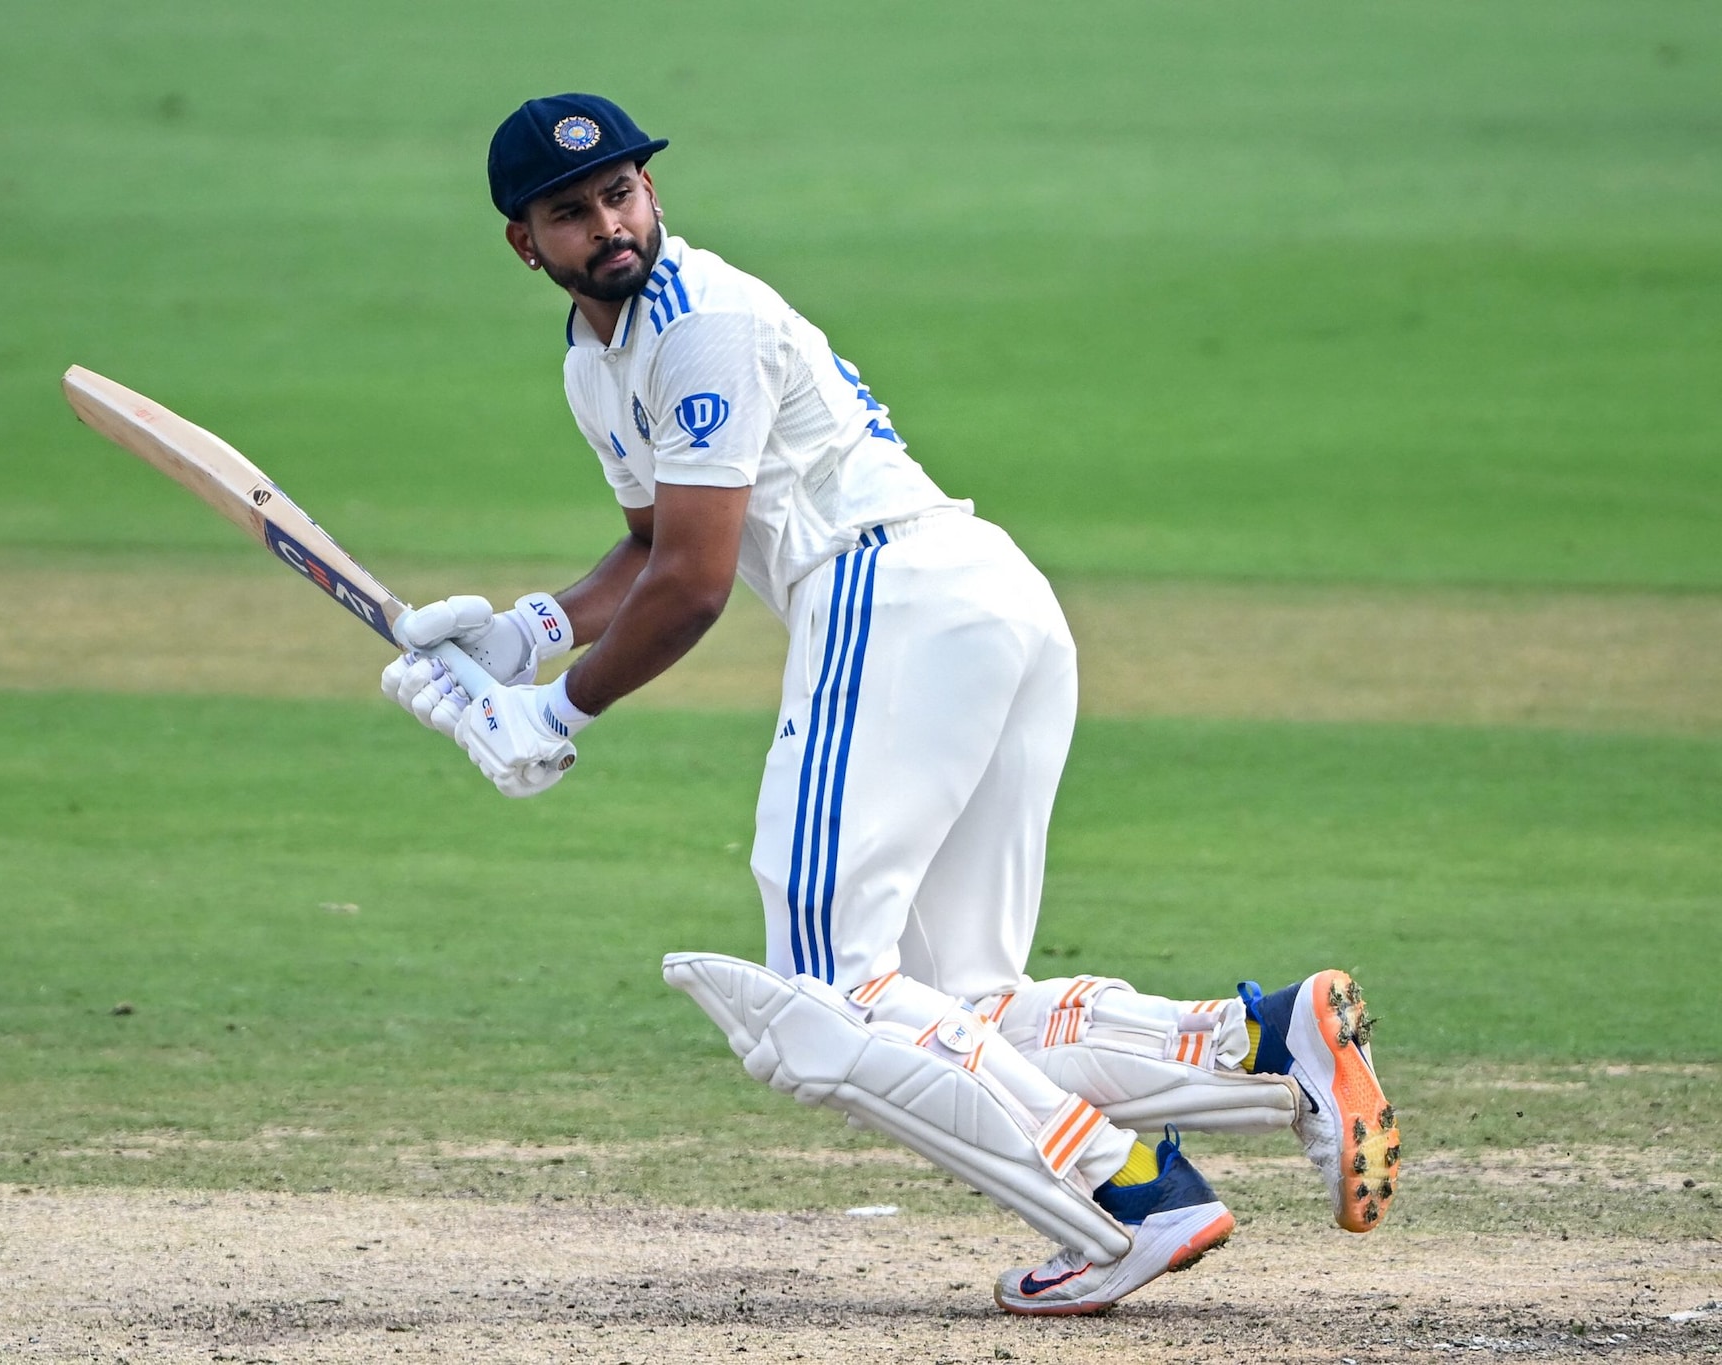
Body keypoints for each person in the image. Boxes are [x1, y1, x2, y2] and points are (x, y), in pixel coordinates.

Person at [379, 93, 1399, 1316]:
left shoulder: (700, 322)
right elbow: (653, 541)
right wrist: (526, 632)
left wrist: (555, 715)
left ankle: (1126, 1194)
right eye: (569, 212)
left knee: (821, 991)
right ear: (523, 242)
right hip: (979, 602)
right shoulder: (596, 357)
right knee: (951, 999)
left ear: (651, 190)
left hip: (892, 597)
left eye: (621, 192)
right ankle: (1264, 1043)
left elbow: (698, 585)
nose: (607, 224)